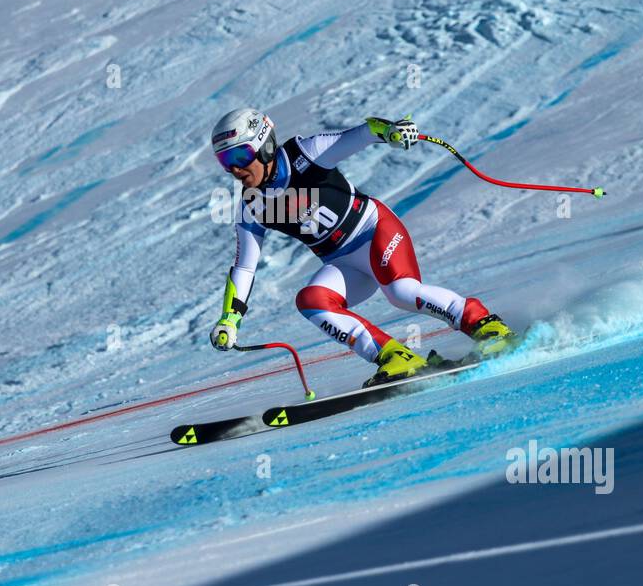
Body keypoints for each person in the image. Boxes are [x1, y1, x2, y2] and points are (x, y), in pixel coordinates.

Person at [208, 107, 514, 386]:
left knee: (402, 293)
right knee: (311, 300)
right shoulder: (252, 206)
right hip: (341, 262)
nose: (234, 170)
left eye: (239, 157)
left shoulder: (304, 155)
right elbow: (245, 266)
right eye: (225, 162)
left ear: (265, 146)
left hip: (373, 230)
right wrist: (229, 319)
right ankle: (396, 357)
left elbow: (363, 133)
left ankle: (486, 326)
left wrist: (391, 132)